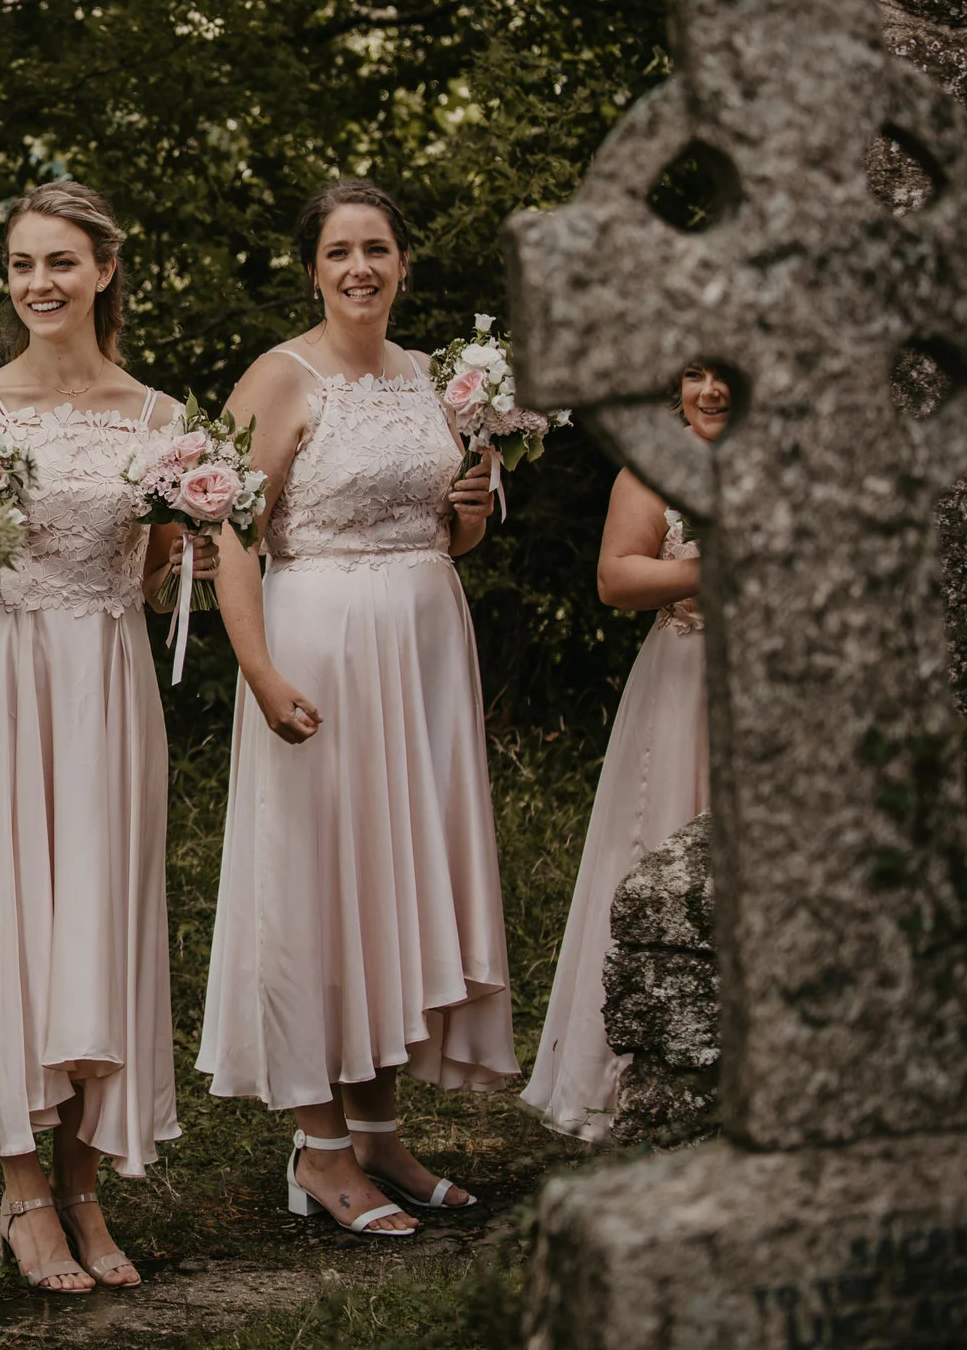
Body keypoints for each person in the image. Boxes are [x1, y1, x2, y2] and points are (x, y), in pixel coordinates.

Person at [197, 177, 512, 1239]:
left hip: (423, 650)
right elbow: (232, 535)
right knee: (317, 878)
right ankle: (316, 1146)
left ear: (404, 263)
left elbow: (452, 529)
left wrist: (468, 513)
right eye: (339, 252)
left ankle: (379, 1128)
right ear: (313, 269)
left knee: (396, 876)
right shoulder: (279, 378)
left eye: (376, 248)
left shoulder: (440, 381)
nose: (359, 268)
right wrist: (259, 670)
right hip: (318, 648)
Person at [0, 180, 204, 1294]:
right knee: (11, 916)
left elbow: (171, 561)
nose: (40, 283)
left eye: (61, 262)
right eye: (24, 263)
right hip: (6, 678)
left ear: (105, 270)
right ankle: (21, 1187)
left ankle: (85, 1179)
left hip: (111, 679)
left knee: (101, 912)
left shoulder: (165, 419)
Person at [521, 362, 725, 1140]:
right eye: (695, 373)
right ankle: (628, 1077)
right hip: (687, 682)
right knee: (660, 842)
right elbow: (615, 575)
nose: (709, 390)